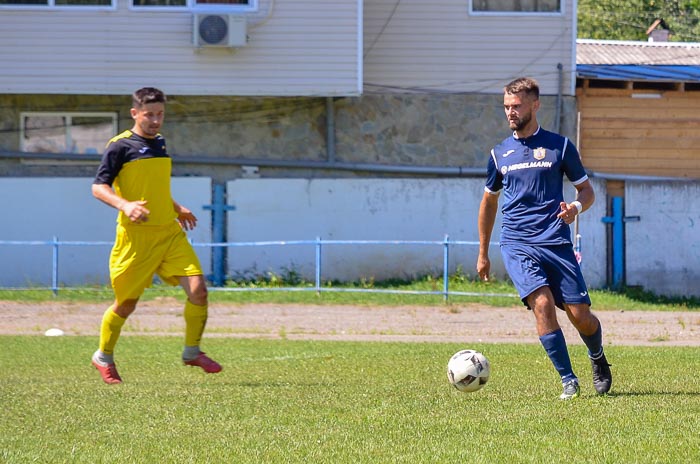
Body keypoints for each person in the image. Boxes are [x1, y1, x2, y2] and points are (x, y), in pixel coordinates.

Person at [476, 77, 612, 400]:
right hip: (517, 243)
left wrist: (575, 208)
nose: (511, 112)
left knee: (580, 316)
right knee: (542, 304)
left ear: (535, 105)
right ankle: (568, 379)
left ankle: (597, 357)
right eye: (507, 106)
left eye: (517, 106)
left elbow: (587, 191)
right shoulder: (499, 154)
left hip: (555, 241)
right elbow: (489, 203)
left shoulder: (559, 147)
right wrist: (483, 251)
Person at [91, 87, 221, 384]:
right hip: (136, 239)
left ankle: (192, 352)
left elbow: (154, 188)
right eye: (149, 114)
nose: (155, 120)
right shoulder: (119, 146)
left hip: (168, 234)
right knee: (126, 305)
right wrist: (125, 205)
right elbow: (99, 187)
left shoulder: (160, 143)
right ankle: (103, 356)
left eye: (160, 114)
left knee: (199, 290)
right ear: (135, 113)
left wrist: (176, 208)